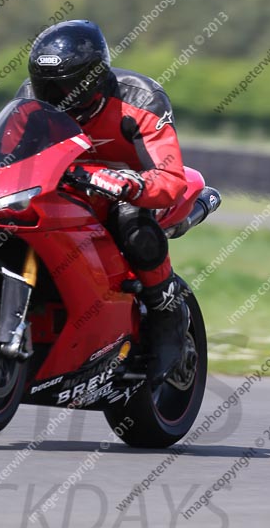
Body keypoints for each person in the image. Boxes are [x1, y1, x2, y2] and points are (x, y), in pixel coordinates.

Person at [16, 19, 189, 383]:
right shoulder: (29, 99)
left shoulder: (141, 99)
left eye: (63, 85)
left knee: (132, 224)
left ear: (92, 78)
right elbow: (8, 156)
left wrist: (129, 186)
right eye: (45, 85)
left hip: (136, 189)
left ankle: (165, 310)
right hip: (67, 188)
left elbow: (171, 176)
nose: (53, 95)